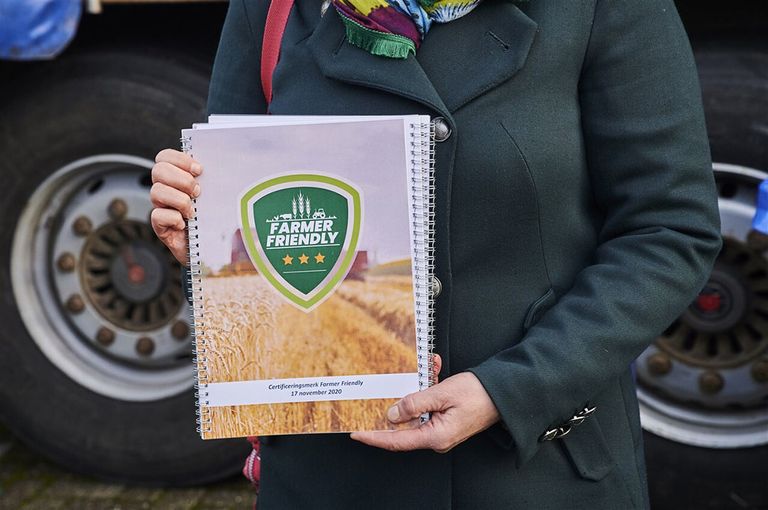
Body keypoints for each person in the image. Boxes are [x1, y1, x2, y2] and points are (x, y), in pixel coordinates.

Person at [150, 0, 722, 508]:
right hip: (332, 473)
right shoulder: (274, 10)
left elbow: (668, 230)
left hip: (533, 469)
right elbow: (254, 243)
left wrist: (511, 390)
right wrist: (204, 251)